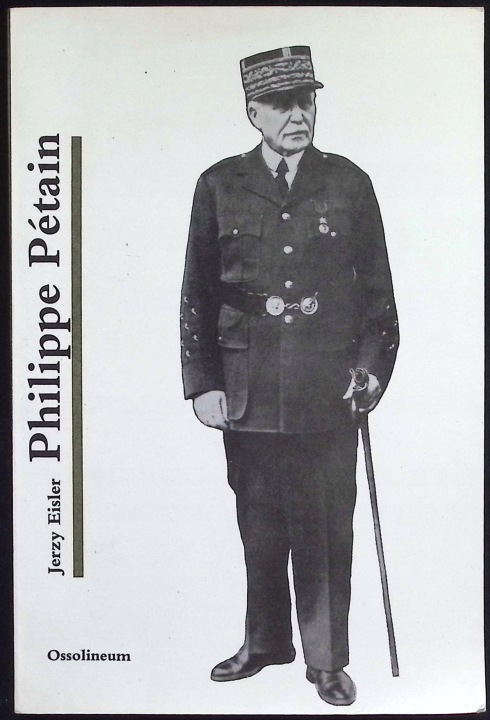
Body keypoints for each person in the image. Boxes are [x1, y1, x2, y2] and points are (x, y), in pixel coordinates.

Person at [180, 45, 398, 707]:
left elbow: (380, 299)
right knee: (259, 525)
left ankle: (326, 660)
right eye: (280, 104)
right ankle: (266, 642)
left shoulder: (348, 182)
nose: (297, 114)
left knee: (326, 528)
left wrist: (370, 371)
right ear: (254, 112)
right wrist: (203, 382)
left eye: (305, 100)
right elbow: (197, 292)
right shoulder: (219, 184)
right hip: (247, 389)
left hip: (326, 389)